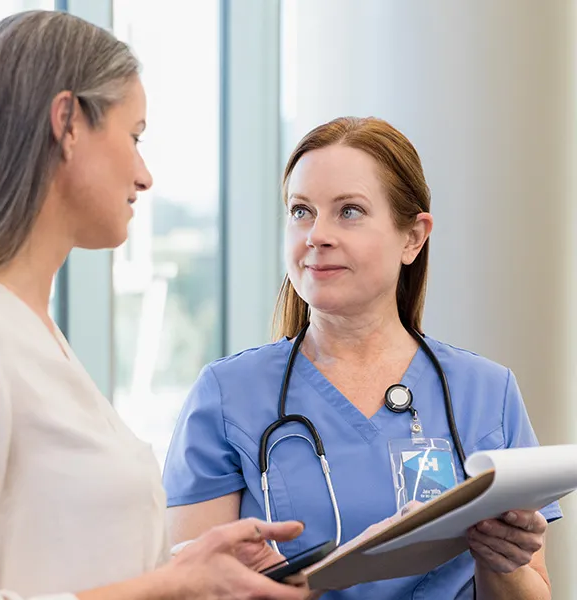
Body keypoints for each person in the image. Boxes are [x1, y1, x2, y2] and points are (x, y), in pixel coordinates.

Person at [0, 10, 310, 600]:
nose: (144, 175)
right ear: (67, 121)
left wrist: (185, 568)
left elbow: (46, 552)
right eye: (135, 135)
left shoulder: (28, 327)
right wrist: (167, 588)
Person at [162, 116, 562, 600]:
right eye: (301, 211)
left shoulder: (485, 393)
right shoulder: (228, 396)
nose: (317, 235)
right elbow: (188, 590)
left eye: (349, 211)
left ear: (413, 237)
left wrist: (502, 560)